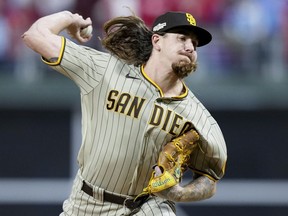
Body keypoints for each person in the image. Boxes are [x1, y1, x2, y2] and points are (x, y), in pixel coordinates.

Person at [22, 10, 227, 216]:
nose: (190, 47)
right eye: (182, 38)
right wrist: (70, 18)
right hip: (85, 203)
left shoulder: (199, 117)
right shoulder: (105, 71)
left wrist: (180, 193)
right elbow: (35, 36)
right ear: (157, 41)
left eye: (195, 44)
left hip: (146, 206)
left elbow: (209, 178)